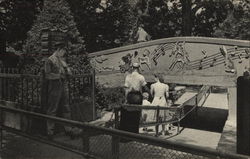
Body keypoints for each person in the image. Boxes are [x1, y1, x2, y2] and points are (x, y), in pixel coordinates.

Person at [44, 41, 72, 139]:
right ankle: (50, 132)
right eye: (64, 51)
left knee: (66, 108)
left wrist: (67, 68)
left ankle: (68, 129)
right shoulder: (50, 60)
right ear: (59, 50)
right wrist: (58, 76)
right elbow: (47, 75)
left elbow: (69, 73)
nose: (64, 53)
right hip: (54, 87)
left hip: (64, 86)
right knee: (52, 109)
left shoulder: (63, 60)